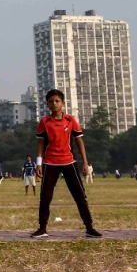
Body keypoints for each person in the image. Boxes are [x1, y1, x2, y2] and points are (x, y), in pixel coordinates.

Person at [31, 89, 102, 239]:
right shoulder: (45, 122)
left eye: (57, 101)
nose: (54, 104)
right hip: (50, 163)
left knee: (80, 195)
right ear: (47, 104)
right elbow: (40, 143)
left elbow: (79, 141)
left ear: (62, 103)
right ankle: (42, 228)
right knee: (45, 196)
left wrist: (85, 162)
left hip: (69, 162)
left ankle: (89, 227)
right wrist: (39, 163)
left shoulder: (70, 120)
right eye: (51, 101)